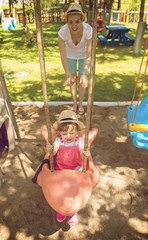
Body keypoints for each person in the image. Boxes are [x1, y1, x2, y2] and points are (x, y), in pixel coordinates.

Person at [47, 110, 90, 225]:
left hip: (75, 168)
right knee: (61, 190)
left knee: (74, 189)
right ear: (60, 134)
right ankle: (60, 209)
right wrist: (51, 150)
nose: (68, 136)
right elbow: (55, 152)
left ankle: (72, 212)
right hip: (61, 168)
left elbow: (81, 153)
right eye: (65, 134)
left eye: (72, 133)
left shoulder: (80, 141)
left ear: (77, 132)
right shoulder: (58, 141)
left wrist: (85, 154)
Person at [58, 3, 92, 115]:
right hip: (69, 56)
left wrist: (85, 74)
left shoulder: (88, 30)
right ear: (67, 22)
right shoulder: (62, 32)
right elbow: (63, 54)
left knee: (82, 81)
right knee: (72, 80)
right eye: (70, 22)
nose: (74, 25)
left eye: (77, 21)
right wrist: (67, 74)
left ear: (82, 20)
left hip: (83, 56)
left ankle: (81, 104)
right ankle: (74, 103)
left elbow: (89, 55)